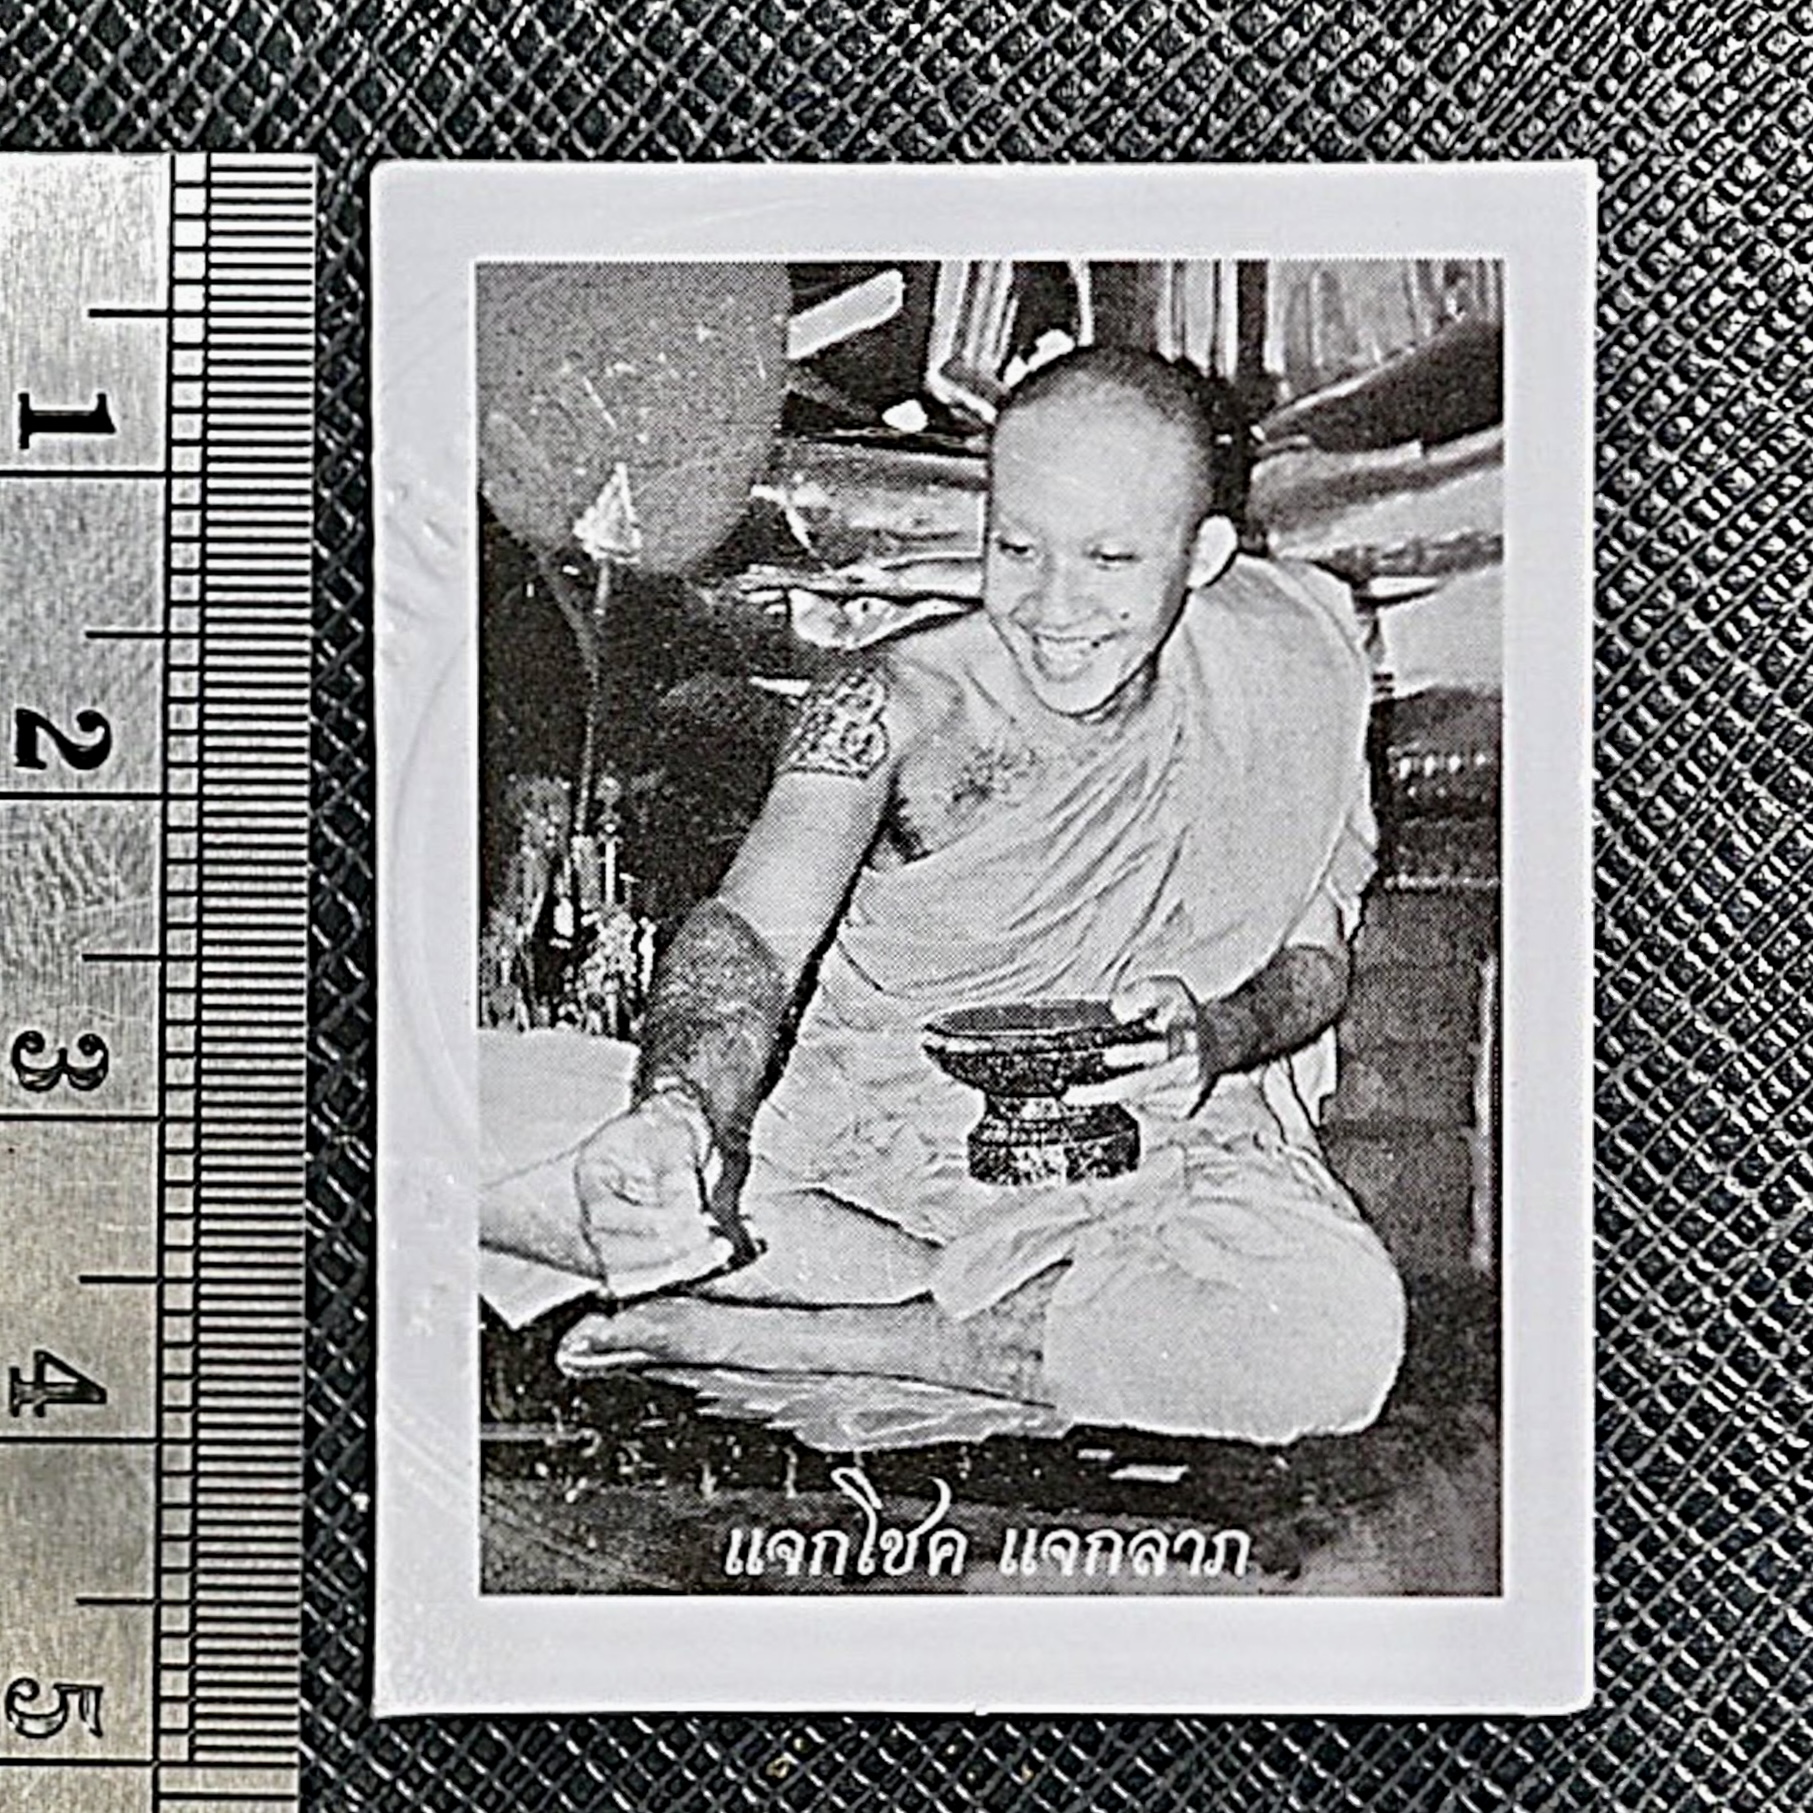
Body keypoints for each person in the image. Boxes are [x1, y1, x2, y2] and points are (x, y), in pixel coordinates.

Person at [479, 345, 1406, 1448]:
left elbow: (1315, 964)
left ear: (1200, 554)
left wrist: (1218, 1034)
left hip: (1135, 1165)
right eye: (1017, 548)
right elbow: (752, 934)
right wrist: (683, 1109)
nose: (1052, 607)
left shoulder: (1286, 661)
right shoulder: (889, 703)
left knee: (1335, 1335)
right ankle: (997, 1320)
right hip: (862, 1148)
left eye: (1109, 559)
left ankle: (826, 1336)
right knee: (434, 1125)